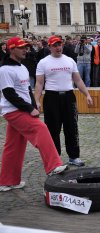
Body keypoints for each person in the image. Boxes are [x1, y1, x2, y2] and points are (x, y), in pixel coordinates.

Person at [0, 37, 67, 192]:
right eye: (21, 47)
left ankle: (7, 181)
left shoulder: (22, 67)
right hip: (14, 110)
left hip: (21, 109)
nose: (25, 50)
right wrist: (29, 109)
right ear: (11, 49)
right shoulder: (5, 70)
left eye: (26, 47)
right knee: (41, 129)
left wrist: (33, 104)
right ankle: (53, 166)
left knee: (14, 147)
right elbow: (9, 94)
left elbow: (26, 91)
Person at [34, 36, 93, 167]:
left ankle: (74, 156)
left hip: (68, 96)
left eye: (59, 45)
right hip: (51, 97)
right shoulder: (43, 62)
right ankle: (55, 159)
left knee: (72, 127)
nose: (58, 47)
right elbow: (39, 83)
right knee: (52, 129)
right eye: (55, 45)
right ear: (49, 47)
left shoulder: (69, 60)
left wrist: (87, 94)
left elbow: (77, 80)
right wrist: (36, 100)